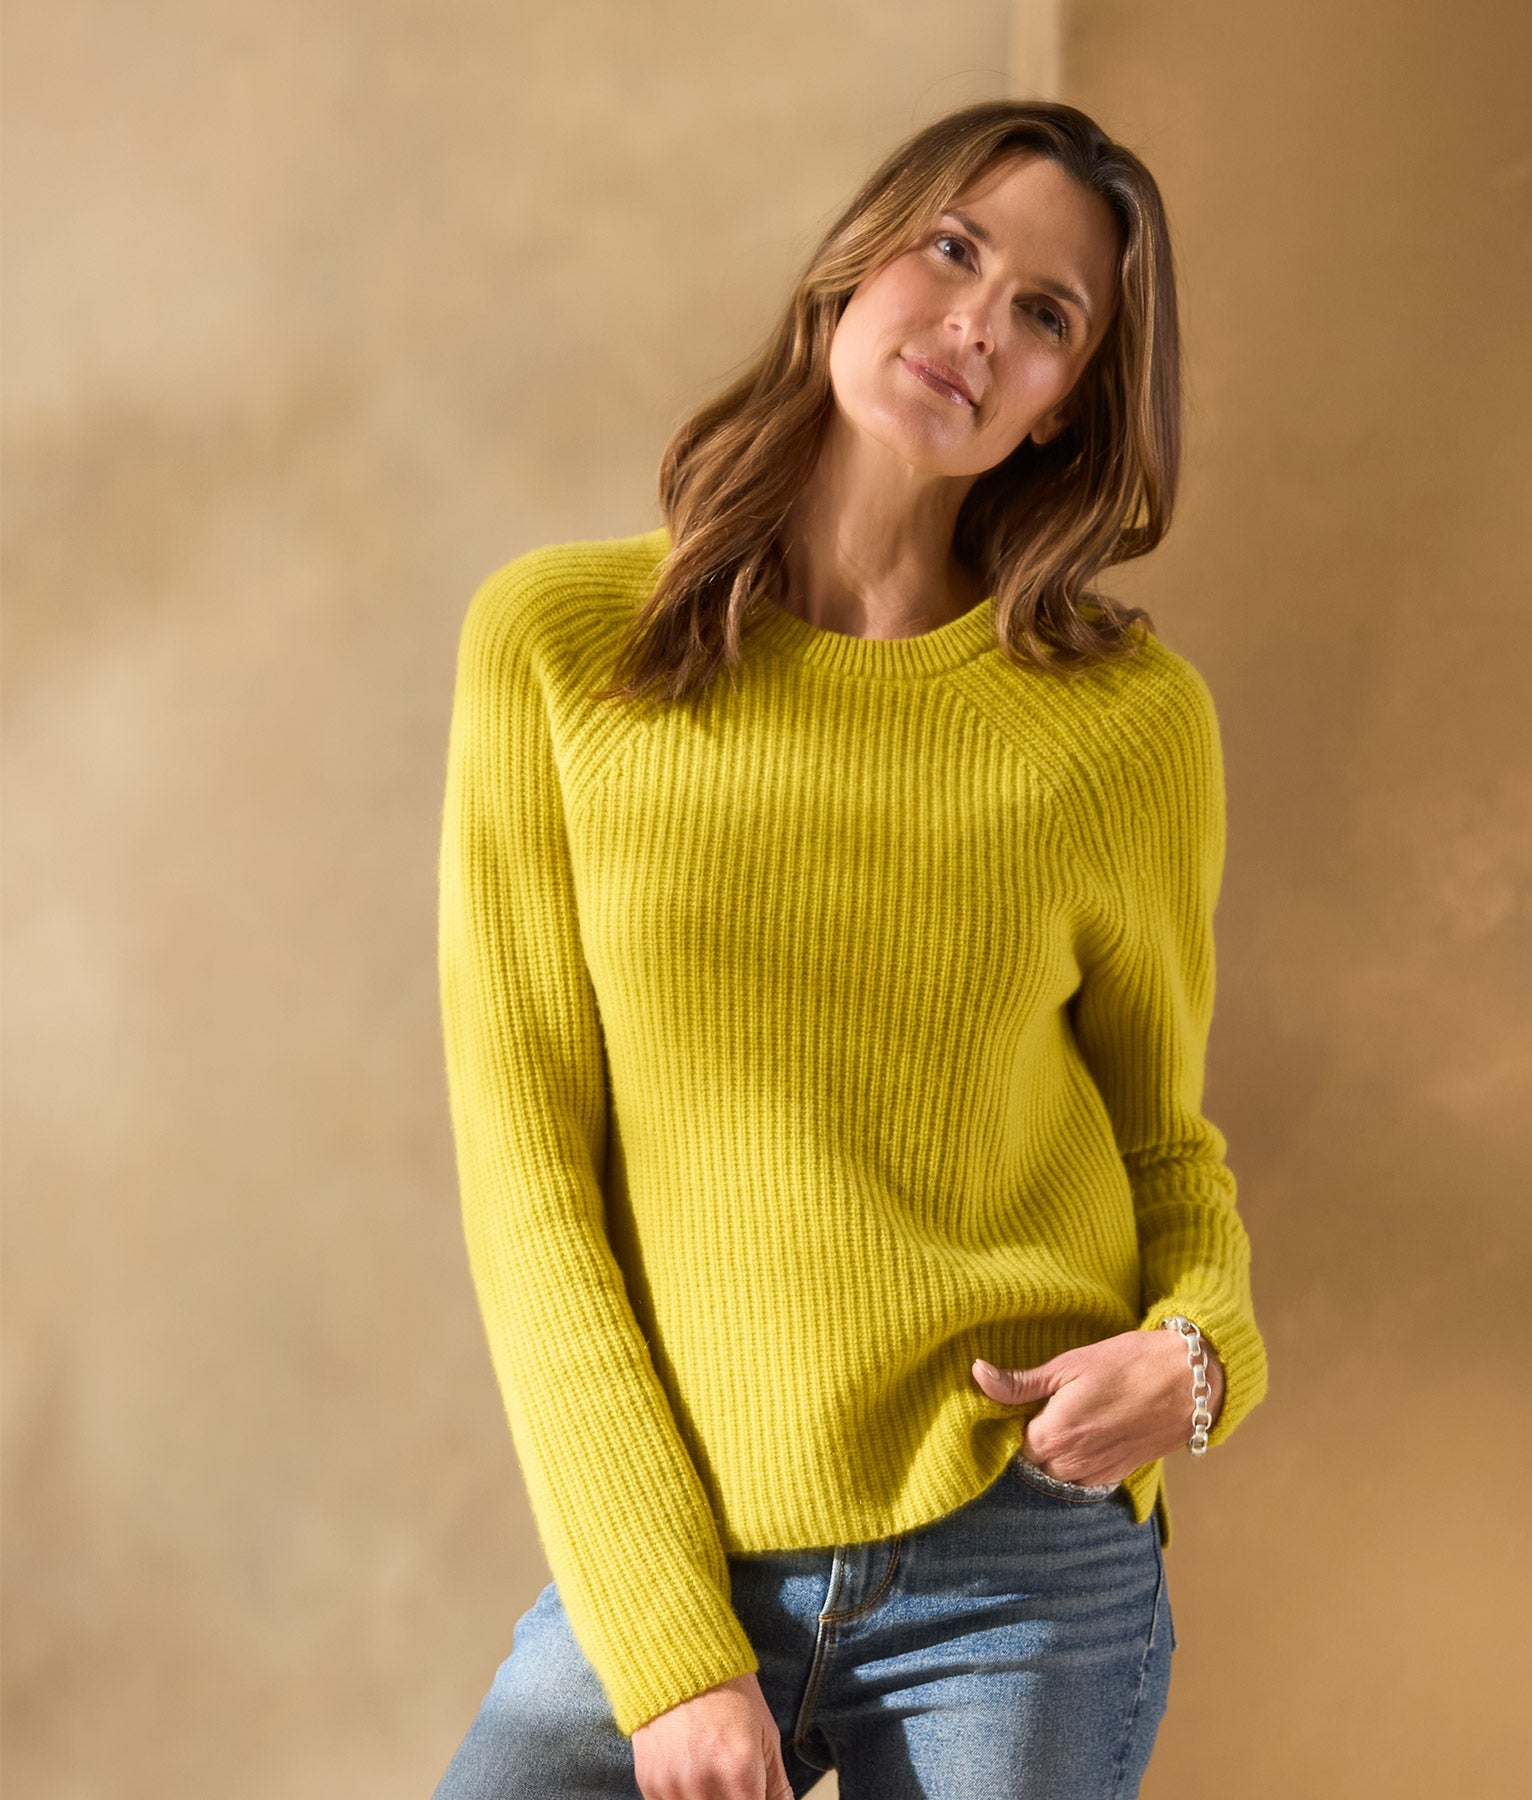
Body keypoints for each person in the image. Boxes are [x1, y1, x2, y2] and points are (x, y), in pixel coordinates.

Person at [431, 98, 1269, 1800]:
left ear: (1064, 406)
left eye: (1048, 314)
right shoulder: (559, 648)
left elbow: (1163, 1153)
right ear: (851, 267)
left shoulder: (1124, 724)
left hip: (1018, 1565)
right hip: (679, 1545)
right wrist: (671, 1648)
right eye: (953, 248)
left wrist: (1200, 1360)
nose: (978, 322)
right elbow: (531, 1190)